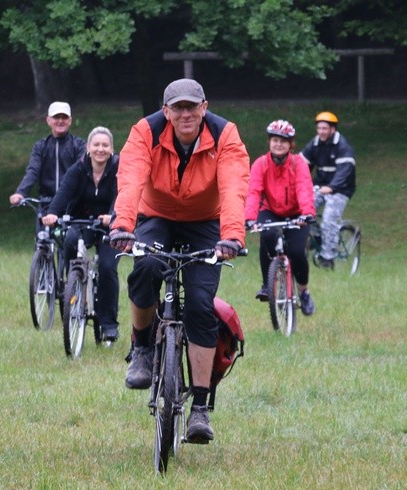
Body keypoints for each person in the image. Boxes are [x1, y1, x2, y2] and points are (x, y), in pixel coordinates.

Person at [109, 78, 249, 443]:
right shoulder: (146, 132)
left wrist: (232, 235)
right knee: (145, 268)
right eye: (178, 108)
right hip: (156, 216)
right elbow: (131, 178)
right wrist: (123, 226)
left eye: (192, 107)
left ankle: (200, 409)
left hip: (206, 223)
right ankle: (141, 347)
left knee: (201, 306)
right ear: (166, 111)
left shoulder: (225, 135)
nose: (186, 114)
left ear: (204, 107)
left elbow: (234, 185)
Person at [41, 126, 121, 342]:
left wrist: (113, 215)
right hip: (82, 221)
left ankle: (109, 324)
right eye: (96, 145)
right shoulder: (79, 169)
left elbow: (121, 195)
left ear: (111, 149)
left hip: (108, 226)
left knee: (107, 268)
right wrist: (52, 214)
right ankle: (73, 286)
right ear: (88, 148)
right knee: (69, 240)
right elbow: (64, 192)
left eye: (105, 145)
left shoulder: (117, 168)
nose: (100, 149)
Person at [245, 120, 316, 316]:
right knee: (267, 235)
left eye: (283, 141)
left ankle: (303, 292)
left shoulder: (298, 163)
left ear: (290, 145)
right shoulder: (260, 164)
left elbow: (303, 188)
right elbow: (253, 192)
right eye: (275, 140)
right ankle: (267, 286)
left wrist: (307, 214)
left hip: (296, 213)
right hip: (271, 210)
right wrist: (250, 218)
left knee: (297, 252)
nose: (279, 144)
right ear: (269, 142)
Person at [300, 111, 356, 269]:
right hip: (321, 185)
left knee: (329, 219)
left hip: (341, 189)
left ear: (333, 129)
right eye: (319, 128)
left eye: (325, 128)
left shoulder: (343, 146)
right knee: (302, 210)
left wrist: (332, 187)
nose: (321, 132)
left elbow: (345, 171)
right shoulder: (315, 143)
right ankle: (316, 237)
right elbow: (302, 165)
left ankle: (327, 258)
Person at [8, 101, 86, 213]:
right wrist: (21, 192)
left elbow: (80, 171)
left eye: (64, 117)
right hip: (46, 204)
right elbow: (33, 171)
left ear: (70, 121)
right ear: (48, 120)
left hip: (72, 204)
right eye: (56, 117)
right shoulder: (40, 146)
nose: (60, 121)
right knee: (42, 231)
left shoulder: (79, 145)